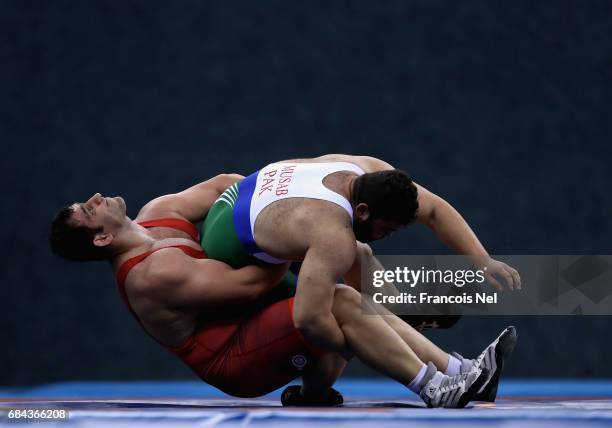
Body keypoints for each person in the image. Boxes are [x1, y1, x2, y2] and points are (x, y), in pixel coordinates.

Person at [49, 171, 515, 408]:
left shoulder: (158, 211)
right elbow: (252, 282)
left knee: (355, 259)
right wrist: (296, 238)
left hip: (253, 317)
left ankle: (458, 367)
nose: (95, 198)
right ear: (103, 239)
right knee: (338, 301)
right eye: (89, 211)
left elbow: (229, 185)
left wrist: (276, 213)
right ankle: (435, 385)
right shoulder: (154, 273)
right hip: (231, 357)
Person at [198, 153, 520, 404]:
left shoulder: (362, 169)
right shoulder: (332, 232)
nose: (388, 237)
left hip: (235, 210)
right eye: (386, 229)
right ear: (363, 210)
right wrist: (366, 342)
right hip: (233, 275)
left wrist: (482, 261)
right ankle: (433, 386)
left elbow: (433, 211)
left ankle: (457, 370)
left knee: (361, 255)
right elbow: (308, 321)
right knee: (349, 305)